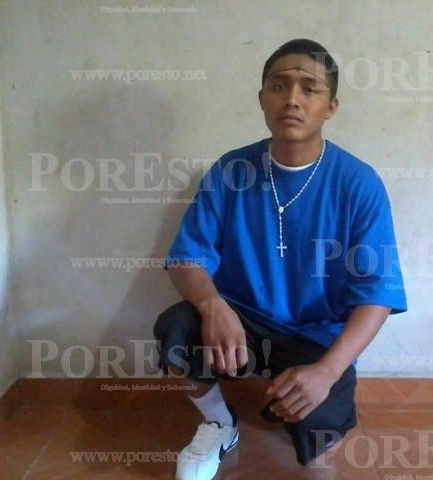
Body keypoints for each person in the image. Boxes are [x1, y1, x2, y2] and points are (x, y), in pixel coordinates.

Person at [154, 38, 408, 480]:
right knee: (175, 329)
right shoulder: (231, 171)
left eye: (310, 89)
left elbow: (378, 294)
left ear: (331, 106)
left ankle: (317, 441)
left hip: (317, 337)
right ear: (262, 99)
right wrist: (213, 306)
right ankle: (219, 423)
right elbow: (186, 259)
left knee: (319, 436)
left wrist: (327, 371)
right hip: (242, 325)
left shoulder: (359, 183)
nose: (292, 99)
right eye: (279, 86)